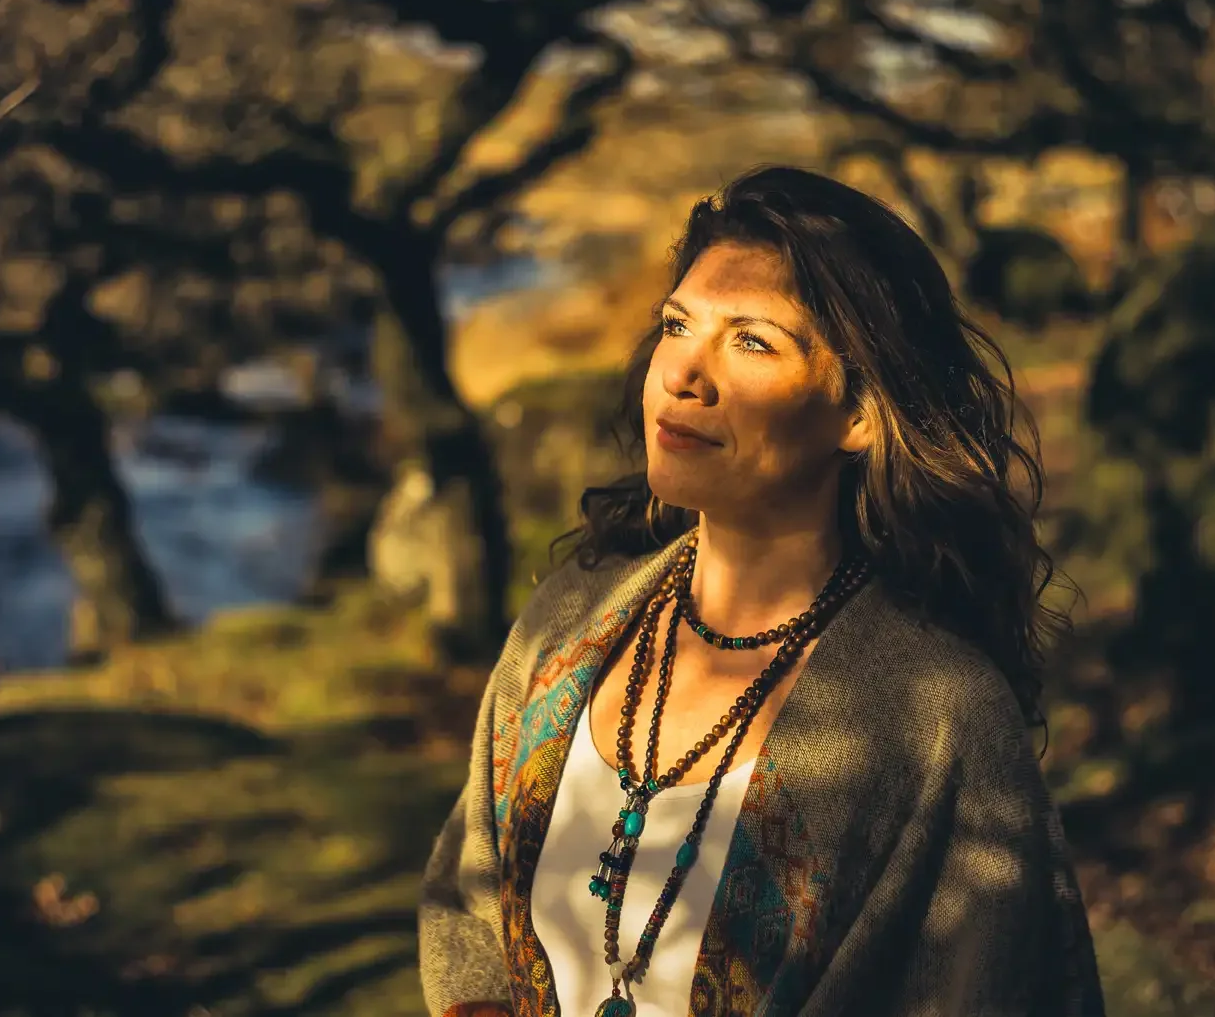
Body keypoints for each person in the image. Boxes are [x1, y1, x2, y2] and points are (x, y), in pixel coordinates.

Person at [418, 166, 1104, 1017]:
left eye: (752, 341)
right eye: (678, 324)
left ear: (858, 411)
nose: (682, 375)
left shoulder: (942, 717)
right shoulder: (568, 617)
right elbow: (468, 896)